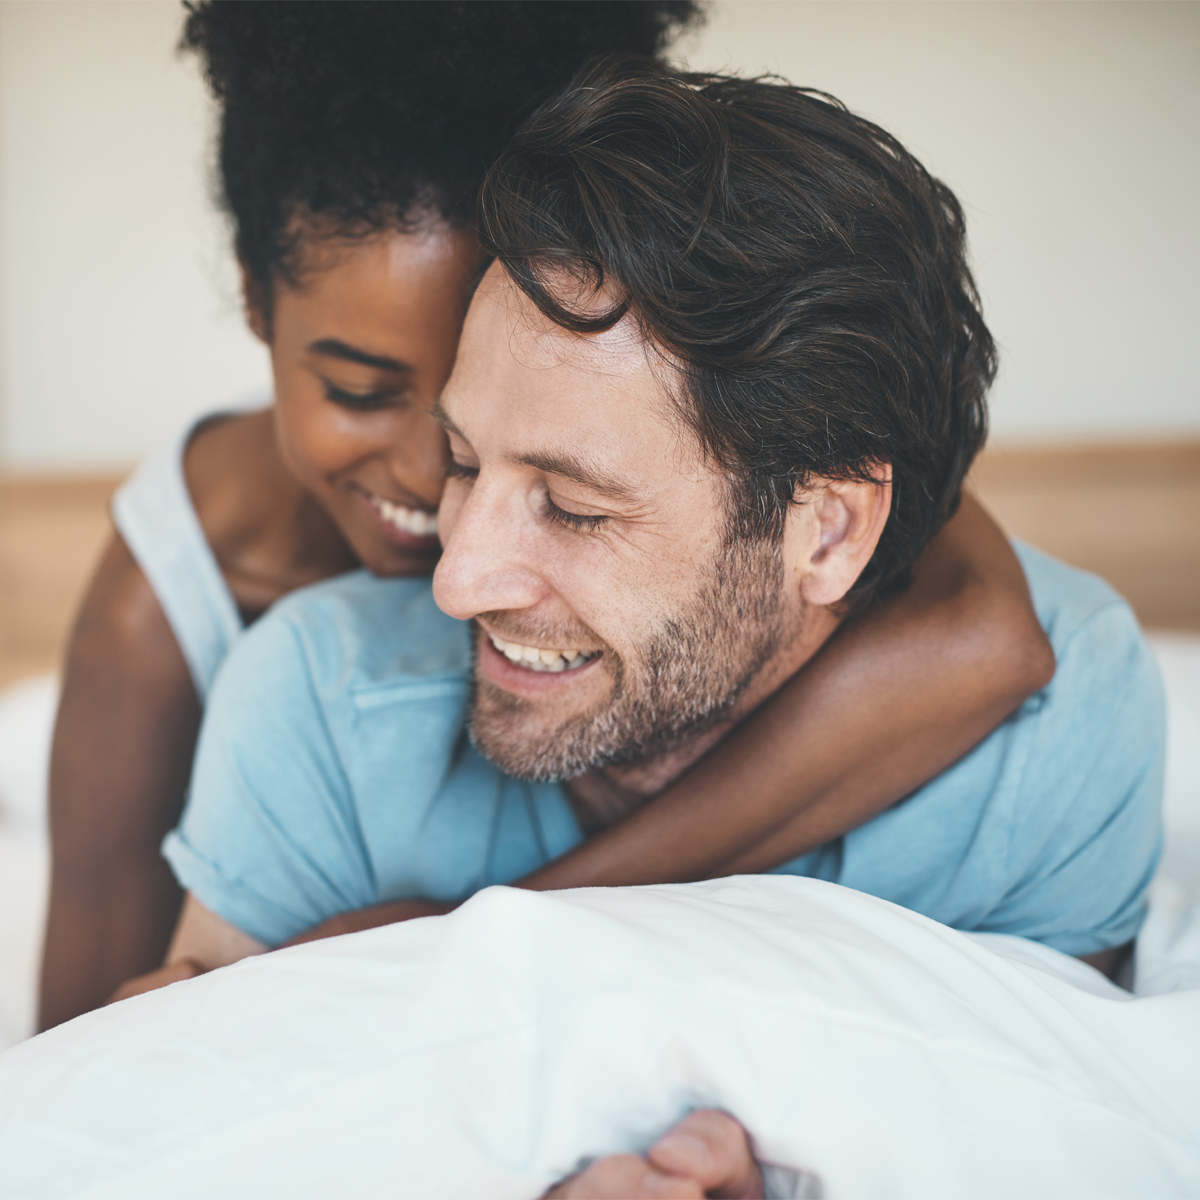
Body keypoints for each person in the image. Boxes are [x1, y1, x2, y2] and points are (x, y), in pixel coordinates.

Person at [42, 2, 1052, 1031]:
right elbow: (79, 1051)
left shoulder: (784, 471)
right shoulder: (181, 615)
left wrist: (452, 941)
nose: (428, 480)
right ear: (256, 306)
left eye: (566, 494)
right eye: (363, 392)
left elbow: (989, 635)